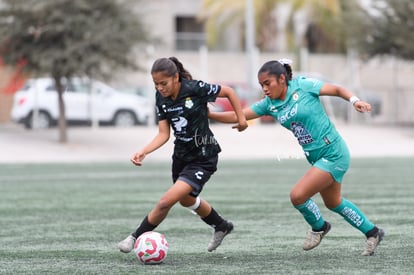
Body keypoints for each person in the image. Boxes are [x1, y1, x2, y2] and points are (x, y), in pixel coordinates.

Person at [208, 59, 384, 256]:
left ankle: (319, 227)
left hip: (333, 152)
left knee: (298, 195)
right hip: (316, 157)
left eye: (268, 83)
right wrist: (209, 114)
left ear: (282, 79)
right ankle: (373, 232)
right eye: (261, 85)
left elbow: (336, 89)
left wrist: (355, 100)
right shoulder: (270, 104)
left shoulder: (303, 85)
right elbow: (238, 115)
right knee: (334, 202)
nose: (264, 89)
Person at [117, 56, 248, 253]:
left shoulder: (195, 88)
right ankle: (221, 226)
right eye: (156, 84)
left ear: (176, 77)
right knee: (186, 200)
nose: (160, 87)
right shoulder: (160, 97)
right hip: (180, 157)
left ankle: (134, 237)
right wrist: (143, 151)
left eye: (164, 83)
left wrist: (242, 119)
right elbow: (163, 134)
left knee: (165, 202)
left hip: (203, 157)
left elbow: (229, 91)